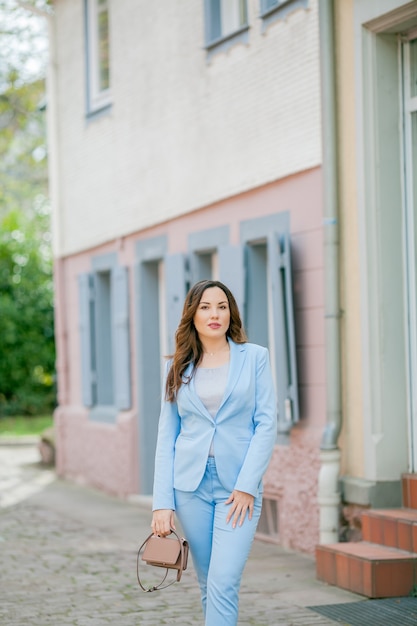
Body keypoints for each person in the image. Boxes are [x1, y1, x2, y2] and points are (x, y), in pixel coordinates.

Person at [151, 279, 277, 626]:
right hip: (190, 488)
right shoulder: (176, 366)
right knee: (209, 582)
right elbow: (167, 436)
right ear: (192, 315)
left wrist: (247, 485)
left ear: (230, 312)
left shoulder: (255, 357)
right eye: (205, 307)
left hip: (237, 490)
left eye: (222, 306)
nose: (214, 314)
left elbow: (266, 424)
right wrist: (162, 502)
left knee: (223, 582)